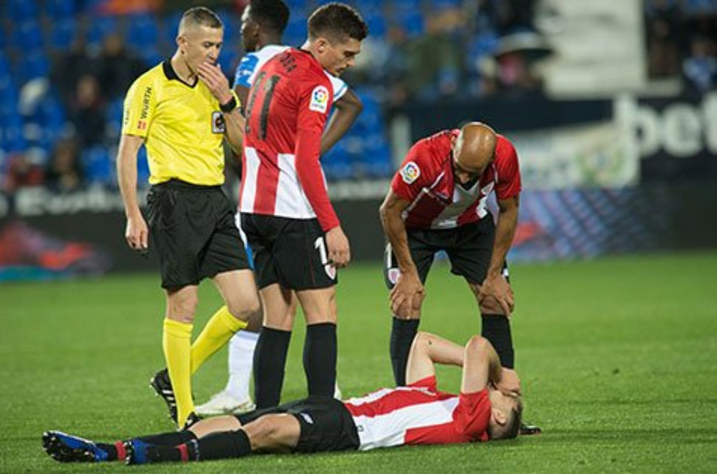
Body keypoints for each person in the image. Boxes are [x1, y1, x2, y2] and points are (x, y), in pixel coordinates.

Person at [196, 0, 363, 416]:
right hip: (293, 211)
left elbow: (248, 131)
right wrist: (332, 227)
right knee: (323, 312)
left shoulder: (269, 64)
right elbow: (306, 161)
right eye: (347, 54)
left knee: (277, 316)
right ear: (322, 45)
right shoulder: (317, 83)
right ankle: (324, 414)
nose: (350, 63)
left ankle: (262, 416)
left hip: (253, 207)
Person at [42, 331, 524, 465]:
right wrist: (494, 381)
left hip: (349, 433)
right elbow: (423, 344)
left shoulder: (469, 419)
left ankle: (140, 456)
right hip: (334, 409)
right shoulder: (433, 398)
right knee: (229, 425)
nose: (498, 405)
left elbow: (479, 348)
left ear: (494, 417)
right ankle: (113, 448)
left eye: (504, 411)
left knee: (263, 433)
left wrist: (500, 375)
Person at [116, 6, 260, 430]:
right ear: (183, 42)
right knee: (184, 304)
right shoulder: (149, 87)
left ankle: (171, 377)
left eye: (218, 45)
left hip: (215, 200)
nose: (214, 53)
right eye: (206, 45)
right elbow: (127, 153)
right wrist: (132, 214)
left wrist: (228, 101)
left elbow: (241, 146)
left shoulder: (217, 86)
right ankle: (184, 412)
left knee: (247, 305)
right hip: (173, 199)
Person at [380, 122, 524, 398]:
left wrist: (494, 275)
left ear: (490, 160)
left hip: (470, 227)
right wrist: (409, 273)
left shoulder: (505, 156)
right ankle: (405, 404)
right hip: (416, 230)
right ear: (453, 147)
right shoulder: (424, 156)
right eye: (459, 167)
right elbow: (389, 211)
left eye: (473, 173)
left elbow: (509, 209)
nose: (464, 177)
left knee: (495, 300)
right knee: (406, 304)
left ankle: (503, 403)